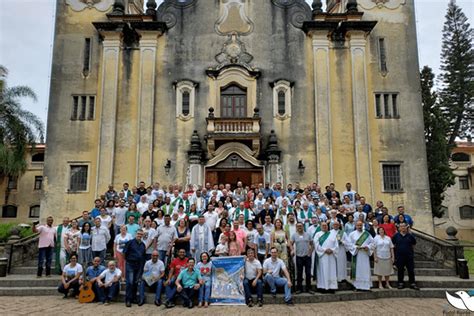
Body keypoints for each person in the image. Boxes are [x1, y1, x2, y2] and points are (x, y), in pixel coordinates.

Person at [392, 222, 419, 290]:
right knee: (400, 270)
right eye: (401, 226)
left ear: (406, 227)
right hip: (399, 256)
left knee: (411, 270)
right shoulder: (396, 236)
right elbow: (393, 244)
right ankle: (400, 283)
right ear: (399, 228)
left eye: (404, 226)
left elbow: (414, 244)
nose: (403, 228)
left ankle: (412, 283)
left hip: (409, 256)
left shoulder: (410, 236)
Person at [123, 229, 146, 307]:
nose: (139, 235)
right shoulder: (130, 242)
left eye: (141, 234)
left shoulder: (143, 245)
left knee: (135, 282)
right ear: (135, 234)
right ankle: (128, 300)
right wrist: (128, 261)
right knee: (130, 282)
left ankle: (133, 298)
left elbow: (143, 256)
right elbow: (124, 253)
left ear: (142, 235)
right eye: (138, 234)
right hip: (130, 264)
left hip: (139, 266)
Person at [348, 221, 374, 291]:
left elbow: (372, 242)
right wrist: (356, 247)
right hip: (357, 254)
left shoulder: (367, 234)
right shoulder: (352, 234)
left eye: (360, 225)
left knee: (365, 269)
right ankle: (357, 286)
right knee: (357, 270)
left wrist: (368, 247)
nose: (359, 227)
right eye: (358, 225)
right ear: (355, 226)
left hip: (365, 254)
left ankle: (366, 286)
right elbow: (349, 244)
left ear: (362, 225)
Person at [290, 222, 314, 294]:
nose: (299, 227)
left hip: (307, 256)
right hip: (299, 256)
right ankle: (299, 289)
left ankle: (308, 288)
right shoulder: (294, 235)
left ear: (303, 226)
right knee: (299, 273)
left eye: (301, 226)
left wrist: (310, 252)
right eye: (298, 226)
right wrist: (292, 250)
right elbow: (291, 243)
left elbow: (312, 244)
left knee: (308, 273)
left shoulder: (308, 234)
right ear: (296, 227)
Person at [314, 222, 338, 293]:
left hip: (331, 256)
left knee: (331, 271)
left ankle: (331, 287)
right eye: (323, 225)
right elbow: (316, 244)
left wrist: (332, 250)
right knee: (322, 271)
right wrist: (324, 250)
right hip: (322, 256)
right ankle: (322, 287)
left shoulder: (332, 234)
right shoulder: (317, 234)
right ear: (320, 226)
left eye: (326, 225)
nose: (324, 227)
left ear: (328, 226)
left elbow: (336, 245)